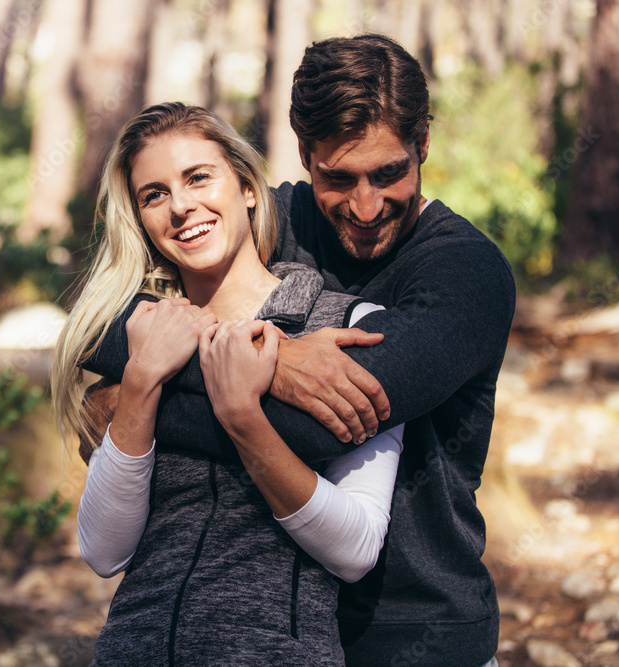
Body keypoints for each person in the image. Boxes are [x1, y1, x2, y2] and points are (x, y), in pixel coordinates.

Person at [81, 35, 516, 666]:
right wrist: (258, 357)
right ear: (304, 153)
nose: (365, 207)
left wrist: (137, 401)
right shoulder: (273, 214)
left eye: (389, 173)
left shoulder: (465, 273)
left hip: (418, 632)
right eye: (338, 179)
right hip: (279, 632)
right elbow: (100, 324)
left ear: (423, 144)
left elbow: (320, 428)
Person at [52, 102, 405, 665]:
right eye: (154, 194)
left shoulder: (349, 324)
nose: (181, 206)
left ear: (246, 186)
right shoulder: (140, 335)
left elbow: (357, 548)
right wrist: (142, 379)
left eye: (198, 177)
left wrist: (244, 417)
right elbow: (103, 550)